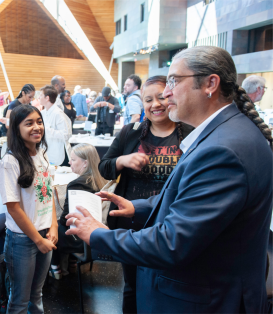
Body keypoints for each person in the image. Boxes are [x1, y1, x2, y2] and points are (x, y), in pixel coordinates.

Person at [66, 46, 273, 314]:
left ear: (211, 83)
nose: (166, 92)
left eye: (175, 80)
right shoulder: (225, 134)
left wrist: (99, 235)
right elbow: (187, 199)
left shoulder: (222, 150)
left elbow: (172, 242)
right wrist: (138, 207)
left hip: (202, 299)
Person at [98, 76, 193, 314]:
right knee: (132, 285)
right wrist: (123, 160)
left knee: (169, 283)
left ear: (170, 96)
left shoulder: (190, 134)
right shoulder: (131, 133)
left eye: (160, 97)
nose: (155, 104)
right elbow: (104, 166)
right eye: (148, 100)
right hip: (132, 221)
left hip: (174, 222)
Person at [0, 104, 58, 314]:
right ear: (16, 128)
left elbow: (48, 193)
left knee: (37, 294)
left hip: (45, 234)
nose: (36, 127)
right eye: (29, 123)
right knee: (19, 300)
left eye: (39, 121)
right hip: (23, 239)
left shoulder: (41, 154)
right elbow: (13, 208)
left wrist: (54, 226)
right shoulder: (10, 161)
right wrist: (37, 239)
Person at [50, 143, 106, 276]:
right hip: (97, 233)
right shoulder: (100, 179)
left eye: (73, 159)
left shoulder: (77, 184)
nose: (69, 162)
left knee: (51, 228)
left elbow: (65, 219)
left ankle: (55, 267)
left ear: (85, 163)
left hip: (81, 238)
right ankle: (72, 262)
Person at [39, 85, 72, 166]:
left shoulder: (58, 113)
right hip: (46, 151)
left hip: (58, 153)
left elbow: (66, 134)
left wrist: (46, 130)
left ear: (47, 98)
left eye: (40, 95)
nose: (38, 97)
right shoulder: (42, 113)